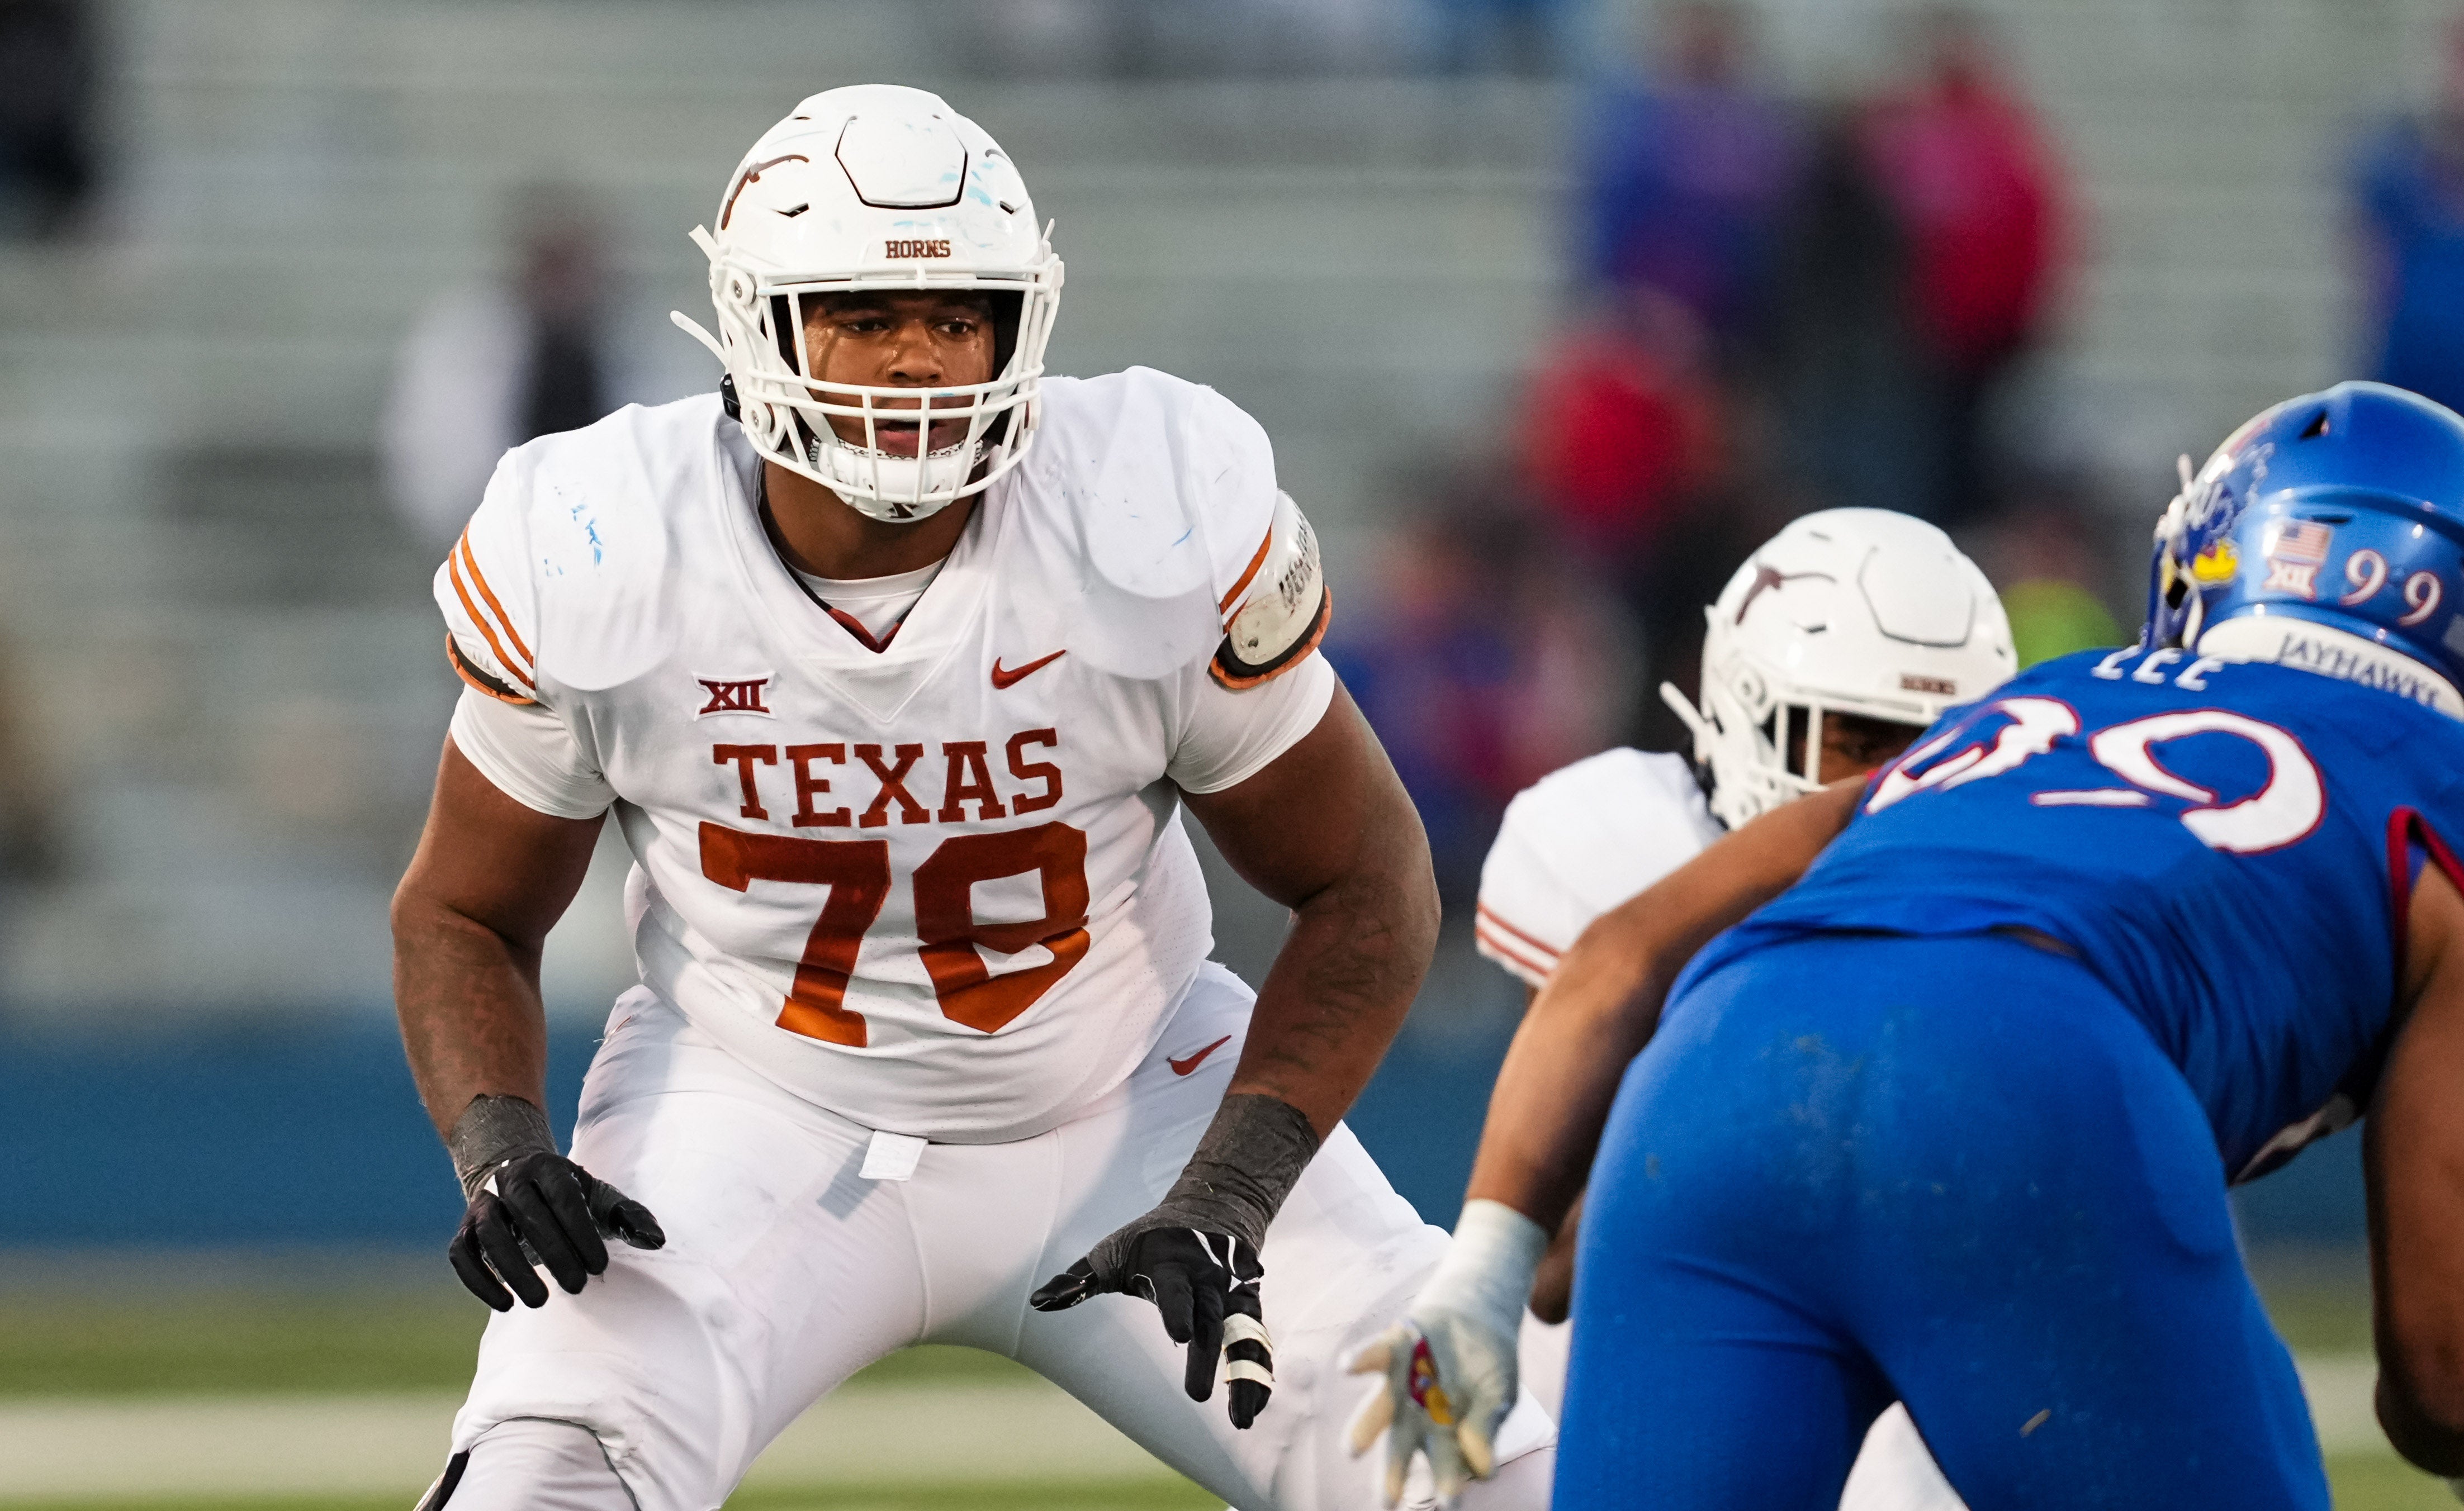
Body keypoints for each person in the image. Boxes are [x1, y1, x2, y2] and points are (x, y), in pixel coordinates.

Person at [390, 85, 1554, 1511]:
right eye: (865, 317)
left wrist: (1235, 1185)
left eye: (958, 321)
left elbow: (1370, 879)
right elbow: (460, 905)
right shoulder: (604, 542)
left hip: (1132, 1090)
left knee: (1484, 1471)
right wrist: (500, 1142)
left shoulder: (1147, 514)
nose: (918, 363)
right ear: (759, 324)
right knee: (538, 1484)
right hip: (752, 1099)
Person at [1357, 379, 2464, 1507]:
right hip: (2030, 1078)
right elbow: (2439, 1377)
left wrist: (1480, 1270)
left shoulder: (2043, 703)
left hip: (1714, 1065)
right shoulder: (2431, 790)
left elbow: (1620, 958)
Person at [1460, 507, 2010, 1511]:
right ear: (1753, 711)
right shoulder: (1618, 835)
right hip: (1636, 1349)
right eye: (1863, 741)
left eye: (1945, 751)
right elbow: (1567, 1264)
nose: (1898, 790)